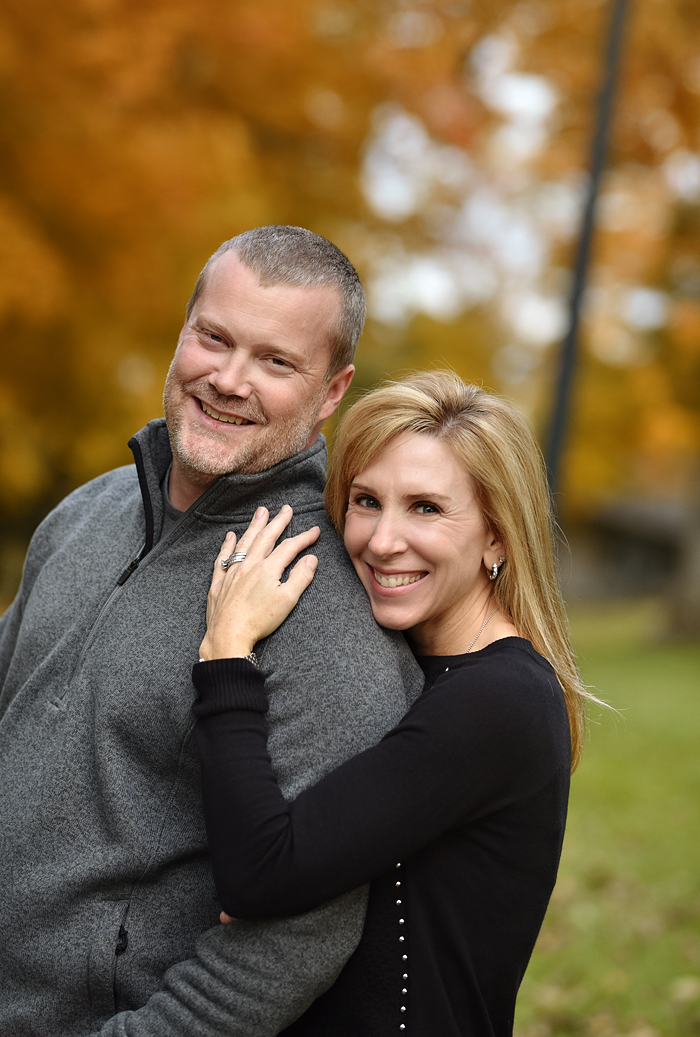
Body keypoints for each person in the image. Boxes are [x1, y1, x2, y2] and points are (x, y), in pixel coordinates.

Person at [0, 226, 422, 1037]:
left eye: (276, 361)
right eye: (215, 338)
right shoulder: (86, 513)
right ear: (183, 330)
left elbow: (290, 946)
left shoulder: (328, 611)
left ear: (331, 392)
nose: (228, 380)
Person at [190, 370, 594, 1037]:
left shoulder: (499, 700)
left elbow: (258, 873)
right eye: (367, 501)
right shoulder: (415, 665)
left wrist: (227, 651)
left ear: (497, 536)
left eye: (426, 508)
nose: (382, 540)